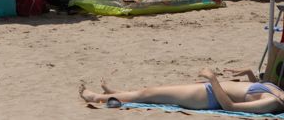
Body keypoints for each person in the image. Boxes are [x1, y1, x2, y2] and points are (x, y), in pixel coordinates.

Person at [80, 68, 284, 113]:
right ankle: (116, 93)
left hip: (208, 96)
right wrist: (248, 73)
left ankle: (98, 97)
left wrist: (213, 79)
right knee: (152, 92)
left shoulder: (273, 102)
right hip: (210, 89)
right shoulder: (277, 90)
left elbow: (230, 106)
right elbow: (251, 87)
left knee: (150, 94)